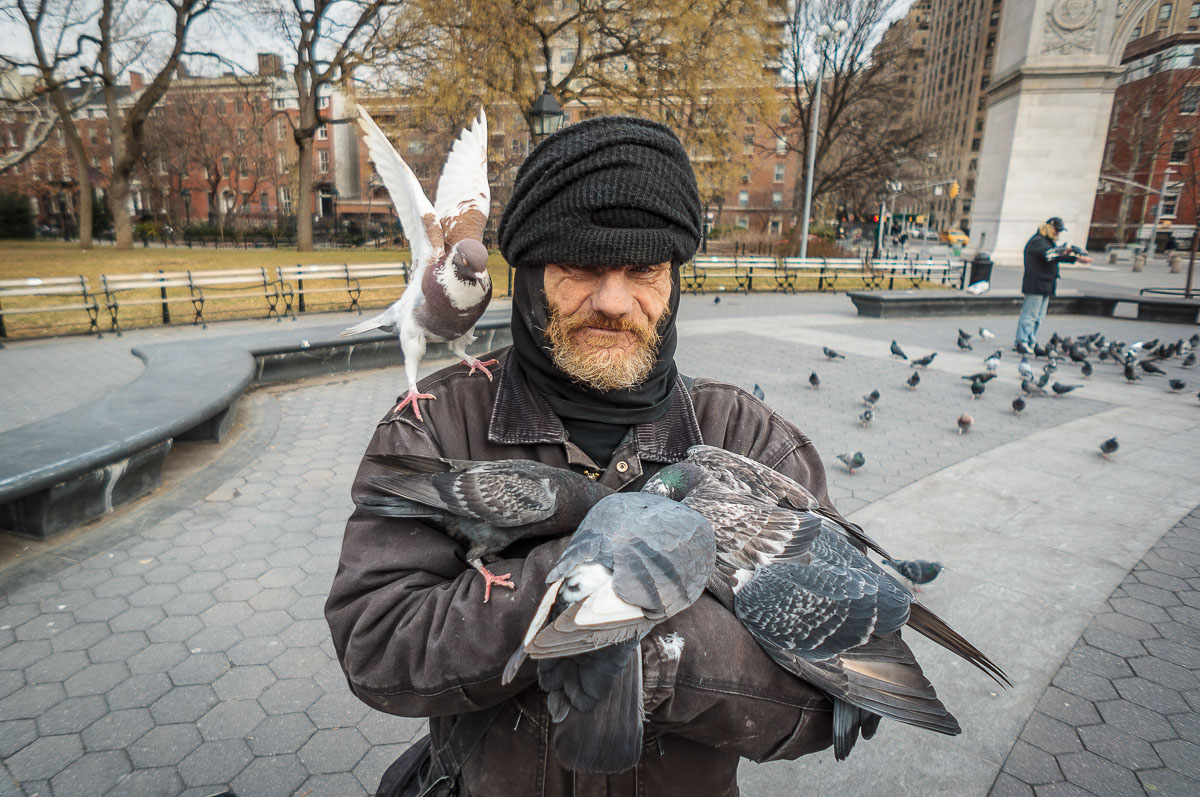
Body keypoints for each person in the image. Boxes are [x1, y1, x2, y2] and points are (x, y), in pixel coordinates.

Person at [325, 116, 846, 796]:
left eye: (643, 270)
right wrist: (576, 583)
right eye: (580, 267)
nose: (613, 300)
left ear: (674, 278)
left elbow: (830, 695)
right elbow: (375, 645)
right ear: (533, 273)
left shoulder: (751, 440)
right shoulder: (432, 425)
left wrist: (666, 654)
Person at [1016, 217, 1093, 350]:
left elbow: (1056, 255)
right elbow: (1050, 255)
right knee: (1030, 315)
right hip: (1035, 284)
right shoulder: (1038, 241)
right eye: (1056, 230)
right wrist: (1074, 256)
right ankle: (1021, 342)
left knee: (1039, 317)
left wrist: (1073, 255)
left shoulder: (1046, 242)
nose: (1058, 233)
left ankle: (1030, 340)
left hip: (1046, 284)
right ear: (1048, 227)